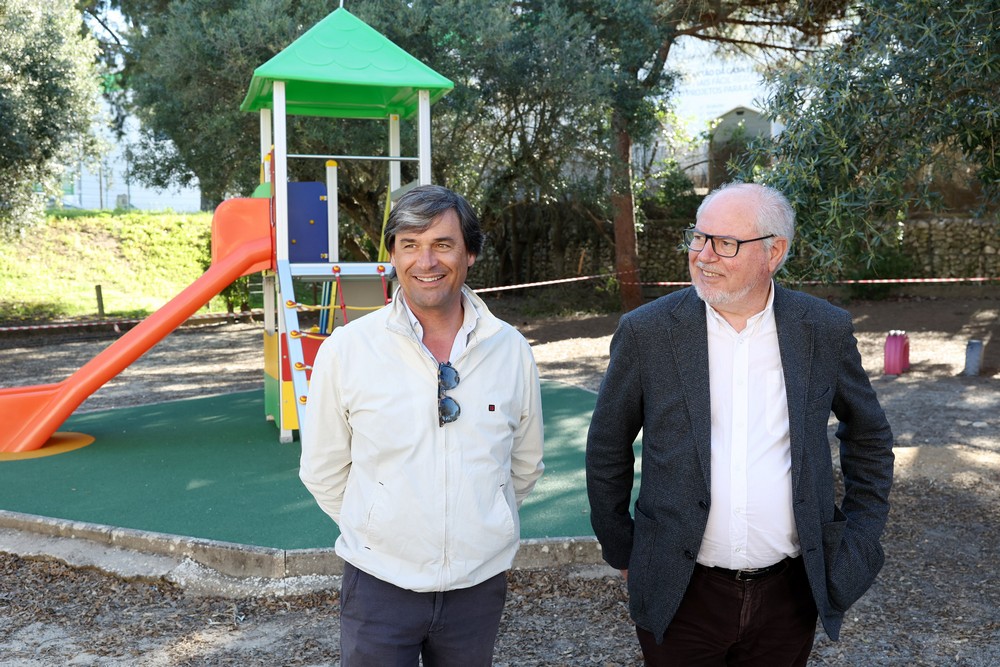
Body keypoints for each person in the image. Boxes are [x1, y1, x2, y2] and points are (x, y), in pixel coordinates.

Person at [586, 182, 894, 666]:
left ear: (774, 252)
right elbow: (607, 444)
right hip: (680, 589)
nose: (703, 255)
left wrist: (861, 535)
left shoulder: (822, 329)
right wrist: (624, 549)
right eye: (698, 237)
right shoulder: (647, 332)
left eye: (725, 243)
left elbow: (869, 434)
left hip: (790, 593)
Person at [299, 184, 544, 666]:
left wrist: (481, 520)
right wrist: (379, 527)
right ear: (392, 254)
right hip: (378, 587)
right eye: (409, 244)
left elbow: (524, 463)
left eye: (443, 244)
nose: (425, 261)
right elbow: (324, 470)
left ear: (470, 253)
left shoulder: (510, 349)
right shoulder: (348, 350)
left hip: (477, 588)